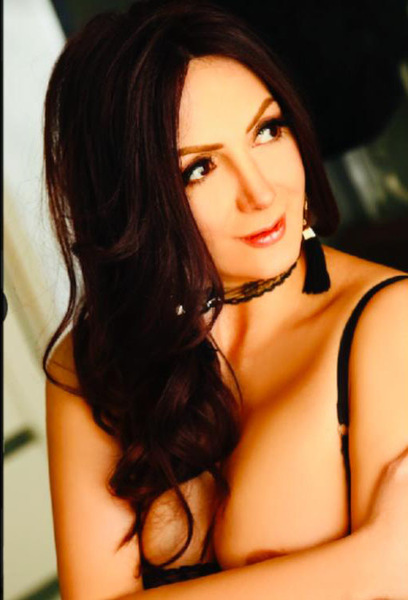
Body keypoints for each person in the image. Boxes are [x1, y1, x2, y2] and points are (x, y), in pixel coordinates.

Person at [43, 0, 408, 598]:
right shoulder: (93, 365)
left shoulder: (389, 324)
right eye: (199, 169)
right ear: (132, 201)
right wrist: (367, 564)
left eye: (267, 130)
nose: (260, 192)